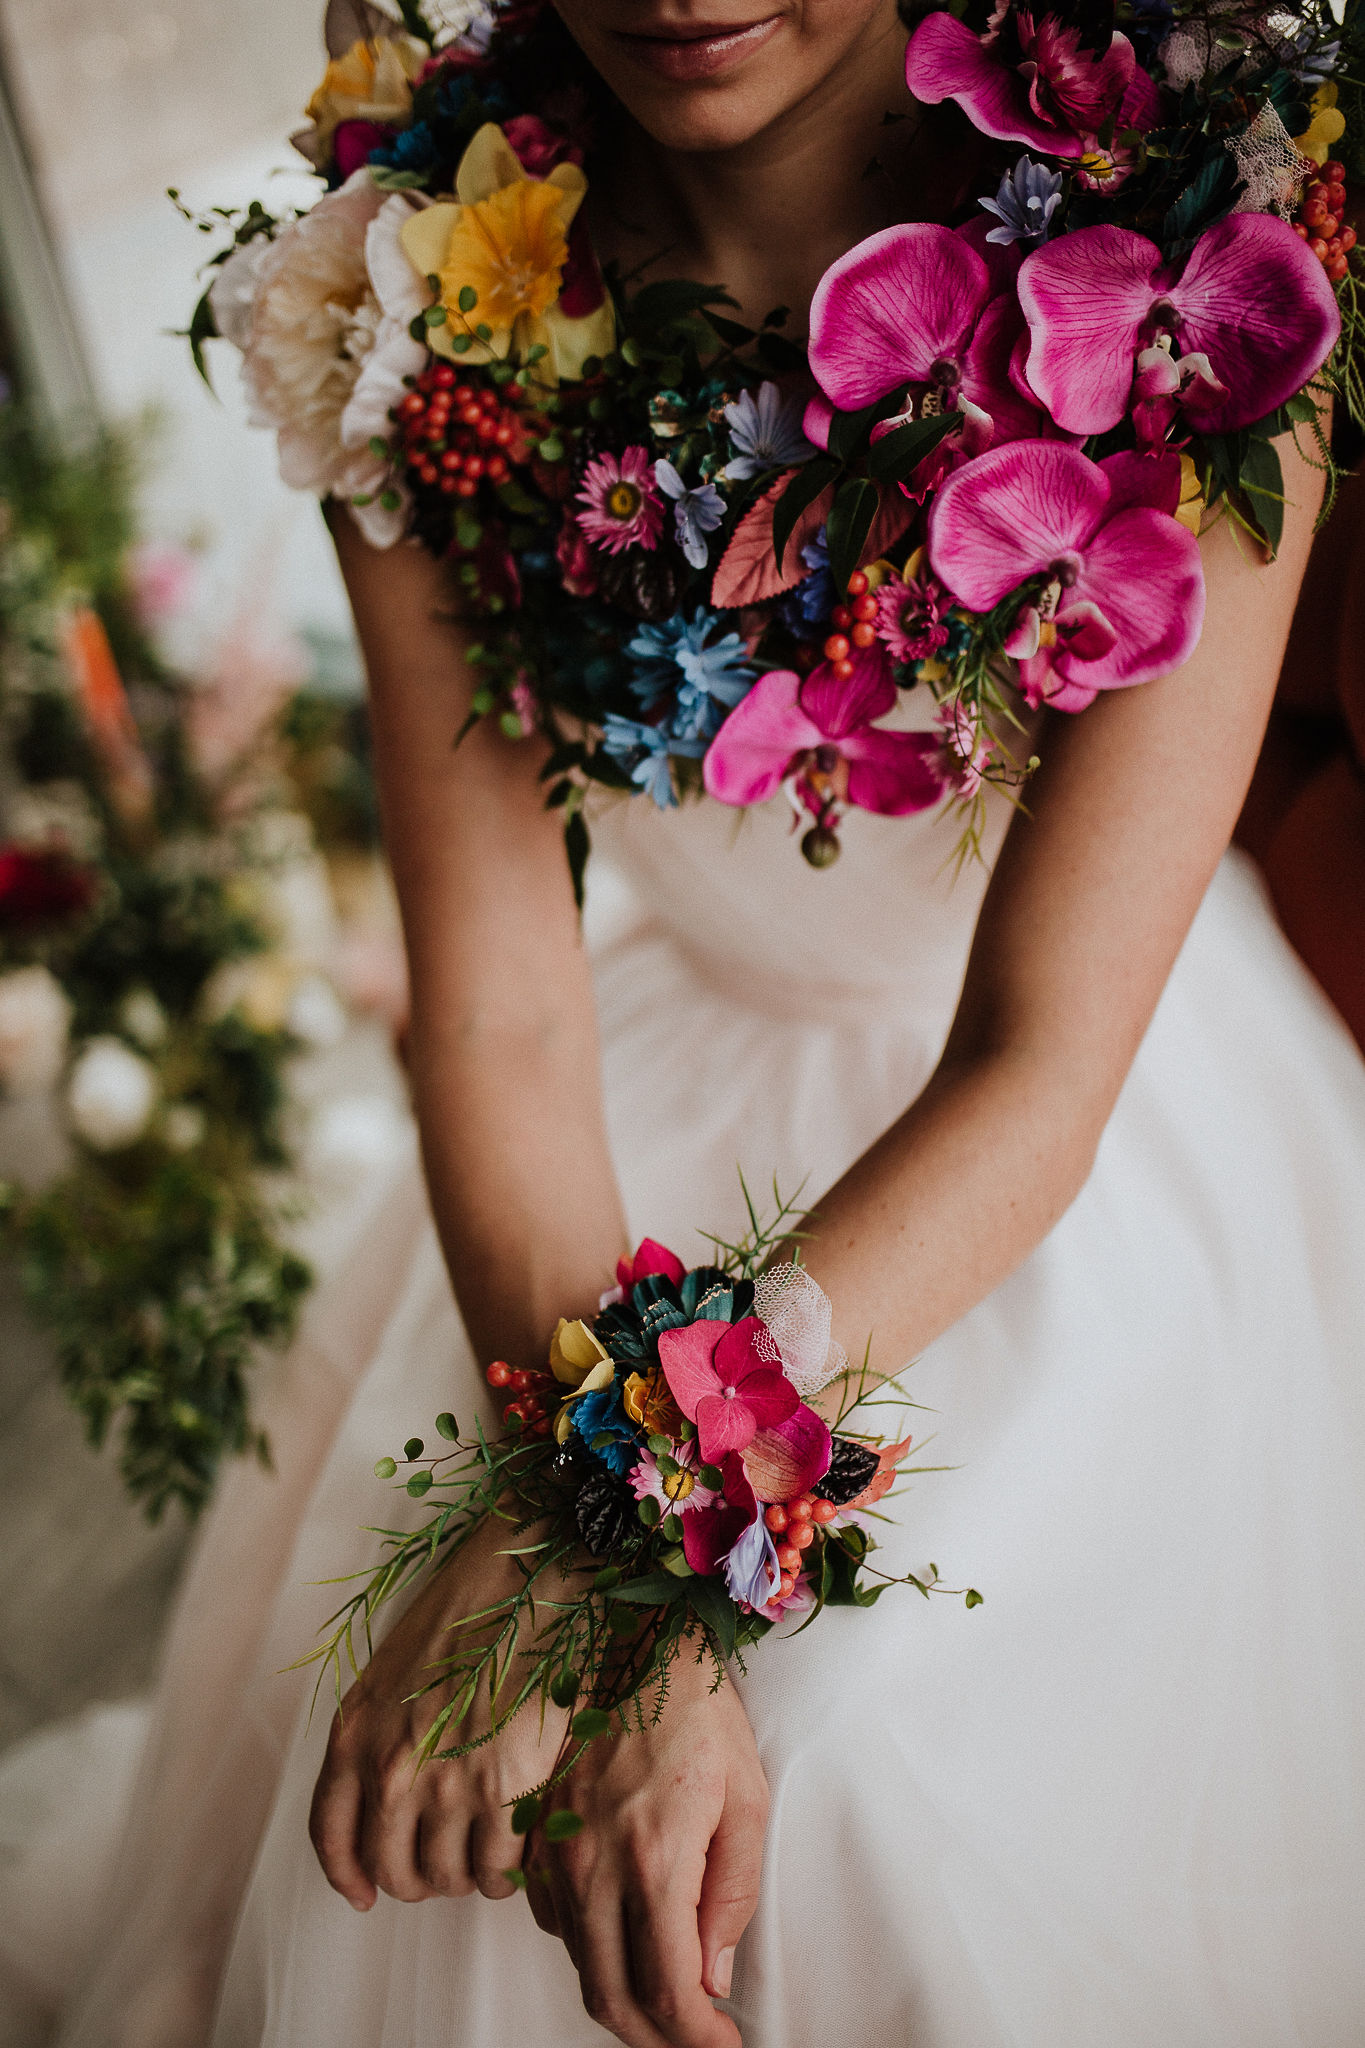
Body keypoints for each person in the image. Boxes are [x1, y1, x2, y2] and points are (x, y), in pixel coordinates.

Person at [30, 2, 1365, 2044]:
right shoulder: (402, 294)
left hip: (1049, 1148)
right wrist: (605, 1558)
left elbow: (1039, 1055)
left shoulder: (1209, 255)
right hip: (610, 1155)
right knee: (491, 1788)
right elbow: (492, 1021)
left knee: (858, 1801)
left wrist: (623, 1521)